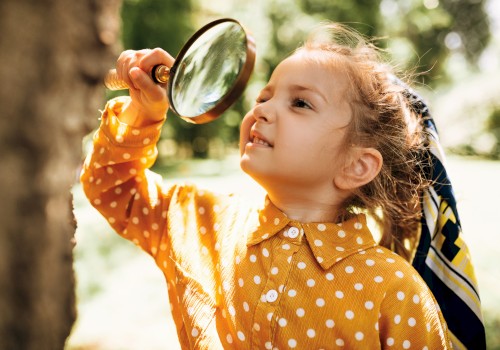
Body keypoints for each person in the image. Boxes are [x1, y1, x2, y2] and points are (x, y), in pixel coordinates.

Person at [80, 23, 453, 349]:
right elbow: (114, 188)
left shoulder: (395, 292)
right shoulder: (204, 221)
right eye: (264, 97)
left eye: (301, 103)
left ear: (356, 165)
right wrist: (142, 111)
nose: (262, 110)